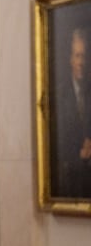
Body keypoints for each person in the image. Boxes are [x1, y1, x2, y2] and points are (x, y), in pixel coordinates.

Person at [54, 28, 91, 198]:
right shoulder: (60, 96)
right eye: (77, 56)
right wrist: (79, 154)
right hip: (70, 187)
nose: (81, 62)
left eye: (83, 56)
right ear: (70, 59)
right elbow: (57, 148)